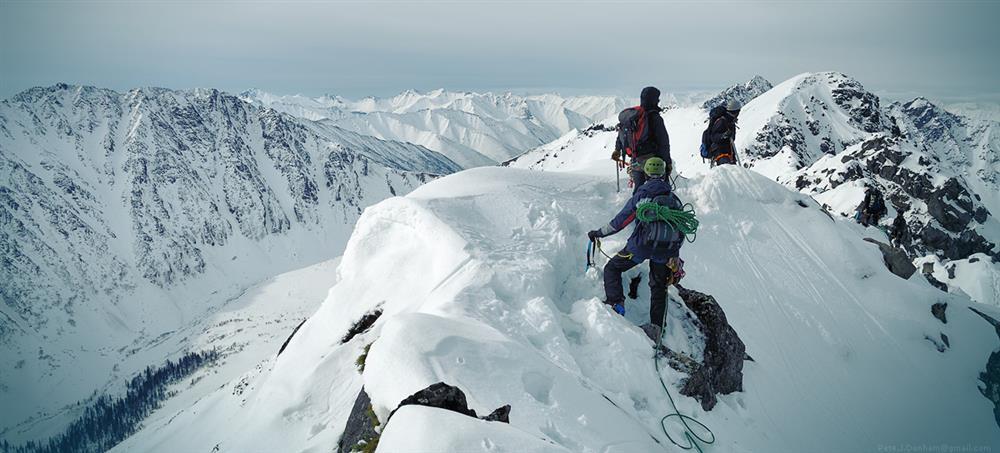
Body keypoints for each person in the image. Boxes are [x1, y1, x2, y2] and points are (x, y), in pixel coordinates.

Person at [588, 157, 686, 339]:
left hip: (640, 247)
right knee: (659, 287)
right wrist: (674, 256)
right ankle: (657, 328)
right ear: (664, 173)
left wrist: (599, 233)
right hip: (665, 252)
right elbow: (681, 230)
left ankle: (616, 304)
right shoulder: (675, 199)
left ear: (646, 173)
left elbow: (620, 221)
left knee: (613, 268)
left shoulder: (642, 195)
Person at [612, 87, 671, 193]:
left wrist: (617, 150)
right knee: (660, 189)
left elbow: (622, 135)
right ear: (653, 100)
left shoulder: (634, 117)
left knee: (639, 190)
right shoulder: (654, 118)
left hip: (635, 161)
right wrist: (668, 163)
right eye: (657, 99)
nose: (658, 101)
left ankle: (637, 207)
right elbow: (663, 143)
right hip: (654, 162)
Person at [703, 99, 742, 166]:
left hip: (729, 152)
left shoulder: (730, 121)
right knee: (727, 172)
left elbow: (732, 138)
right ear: (736, 111)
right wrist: (723, 135)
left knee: (732, 172)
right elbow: (713, 137)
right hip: (720, 152)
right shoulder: (722, 121)